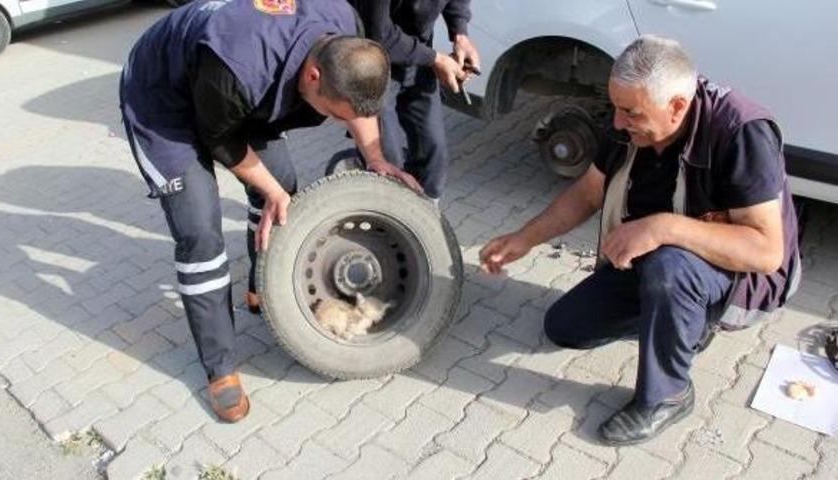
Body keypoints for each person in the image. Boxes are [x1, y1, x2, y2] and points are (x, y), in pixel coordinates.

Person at [479, 35, 801, 445]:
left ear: (678, 107)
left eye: (630, 112)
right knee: (565, 328)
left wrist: (663, 227)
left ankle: (667, 395)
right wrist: (525, 238)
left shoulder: (740, 131)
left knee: (671, 267)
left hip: (740, 281)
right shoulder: (628, 121)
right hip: (656, 261)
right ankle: (680, 320)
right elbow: (588, 193)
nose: (616, 123)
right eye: (615, 107)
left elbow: (766, 252)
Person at [119, 0, 412, 423]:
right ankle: (220, 368)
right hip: (165, 106)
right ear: (313, 76)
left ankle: (261, 283)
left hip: (233, 95)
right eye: (332, 113)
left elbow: (359, 105)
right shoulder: (239, 63)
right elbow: (219, 139)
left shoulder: (345, 25)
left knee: (283, 191)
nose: (335, 123)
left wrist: (376, 157)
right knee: (200, 231)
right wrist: (272, 191)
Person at [348, 0, 480, 202]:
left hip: (418, 58)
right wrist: (436, 59)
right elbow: (379, 34)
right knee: (387, 163)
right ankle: (382, 213)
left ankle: (423, 217)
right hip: (372, 61)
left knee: (434, 159)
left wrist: (460, 33)